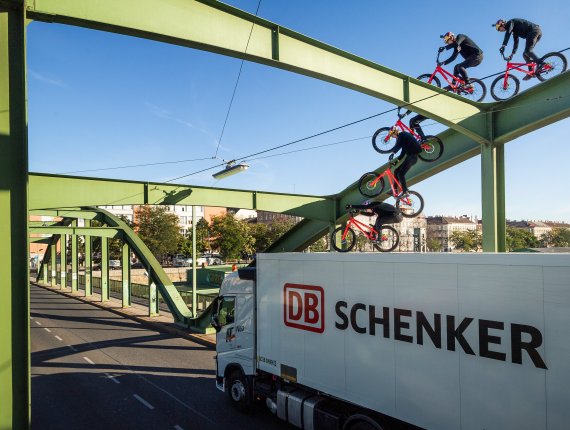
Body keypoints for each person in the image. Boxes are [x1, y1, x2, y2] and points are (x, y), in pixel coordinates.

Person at [390, 129, 422, 196]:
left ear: (395, 132)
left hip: (412, 157)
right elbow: (402, 153)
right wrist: (396, 162)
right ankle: (395, 189)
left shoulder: (402, 134)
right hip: (410, 157)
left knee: (401, 174)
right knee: (396, 171)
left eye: (392, 136)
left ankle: (405, 191)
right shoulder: (404, 141)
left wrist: (393, 153)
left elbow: (397, 145)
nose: (393, 137)